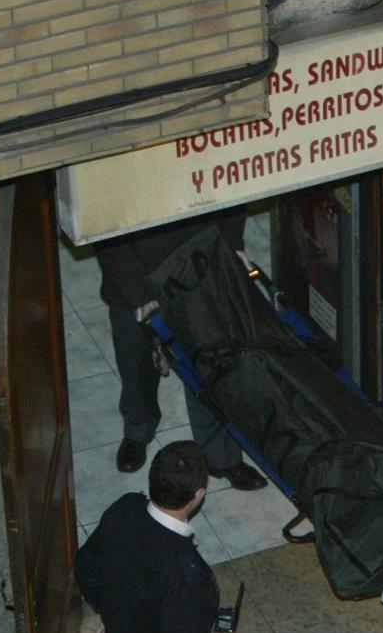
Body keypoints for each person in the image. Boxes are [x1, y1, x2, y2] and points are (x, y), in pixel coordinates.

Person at [76, 441, 241, 633]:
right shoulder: (183, 575)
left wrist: (114, 618)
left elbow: (87, 567)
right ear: (198, 496)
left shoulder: (125, 509)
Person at [96, 207, 265, 490]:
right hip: (136, 275)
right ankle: (138, 431)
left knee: (209, 367)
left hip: (198, 268)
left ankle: (220, 457)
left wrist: (231, 247)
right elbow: (105, 228)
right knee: (136, 365)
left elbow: (231, 197)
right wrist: (137, 294)